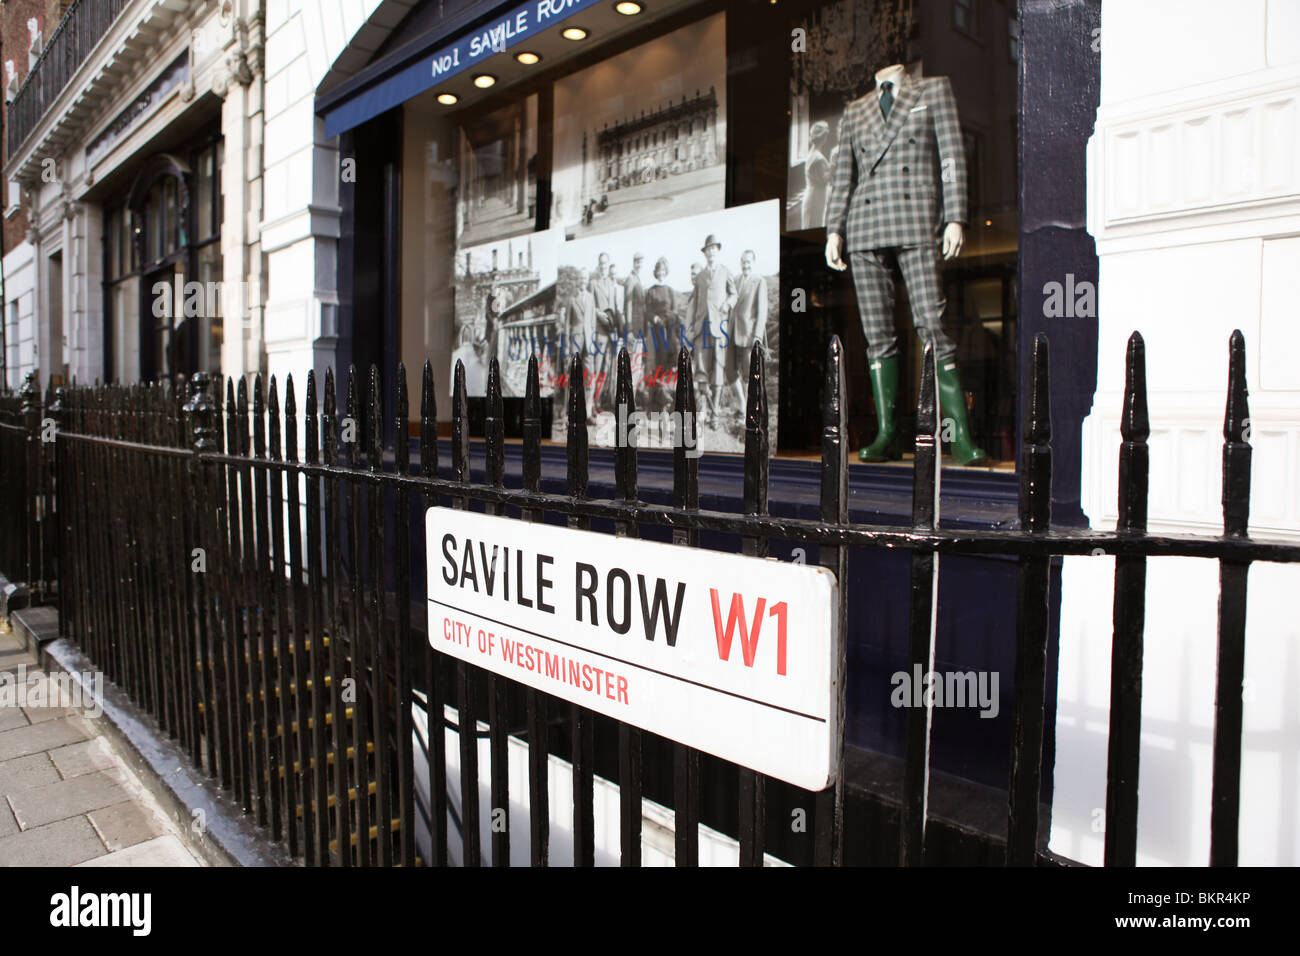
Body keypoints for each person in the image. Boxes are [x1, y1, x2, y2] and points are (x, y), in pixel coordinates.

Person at [823, 63, 987, 465]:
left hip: (916, 218)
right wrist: (834, 230)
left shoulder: (932, 89)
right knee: (877, 332)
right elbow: (843, 175)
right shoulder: (855, 109)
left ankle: (961, 438)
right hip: (865, 224)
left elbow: (950, 155)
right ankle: (887, 435)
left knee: (932, 323)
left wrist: (955, 216)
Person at [689, 234, 737, 424]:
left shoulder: (725, 271)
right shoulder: (700, 276)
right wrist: (691, 327)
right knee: (701, 367)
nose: (711, 252)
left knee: (718, 368)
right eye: (708, 249)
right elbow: (694, 302)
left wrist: (727, 304)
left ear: (717, 251)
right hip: (702, 327)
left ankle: (715, 412)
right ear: (705, 252)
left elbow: (734, 294)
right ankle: (702, 411)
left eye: (714, 249)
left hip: (719, 327)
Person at [729, 249, 767, 410]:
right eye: (743, 261)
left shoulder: (759, 281)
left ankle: (752, 410)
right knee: (729, 370)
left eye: (748, 262)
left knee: (749, 374)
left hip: (749, 334)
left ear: (753, 262)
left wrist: (757, 335)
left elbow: (762, 310)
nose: (745, 265)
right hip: (732, 332)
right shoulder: (735, 280)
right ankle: (742, 405)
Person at [644, 256, 678, 410]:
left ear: (666, 272)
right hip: (656, 330)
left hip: (669, 328)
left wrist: (667, 318)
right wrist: (655, 318)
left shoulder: (670, 291)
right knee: (657, 361)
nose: (661, 273)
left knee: (672, 359)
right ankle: (657, 398)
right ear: (655, 272)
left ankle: (670, 397)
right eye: (659, 270)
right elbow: (647, 311)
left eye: (663, 270)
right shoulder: (651, 291)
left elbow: (675, 311)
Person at [801, 121, 832, 229]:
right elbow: (824, 179)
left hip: (816, 195)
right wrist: (834, 166)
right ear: (824, 138)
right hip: (815, 197)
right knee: (813, 224)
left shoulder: (814, 153)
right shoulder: (818, 158)